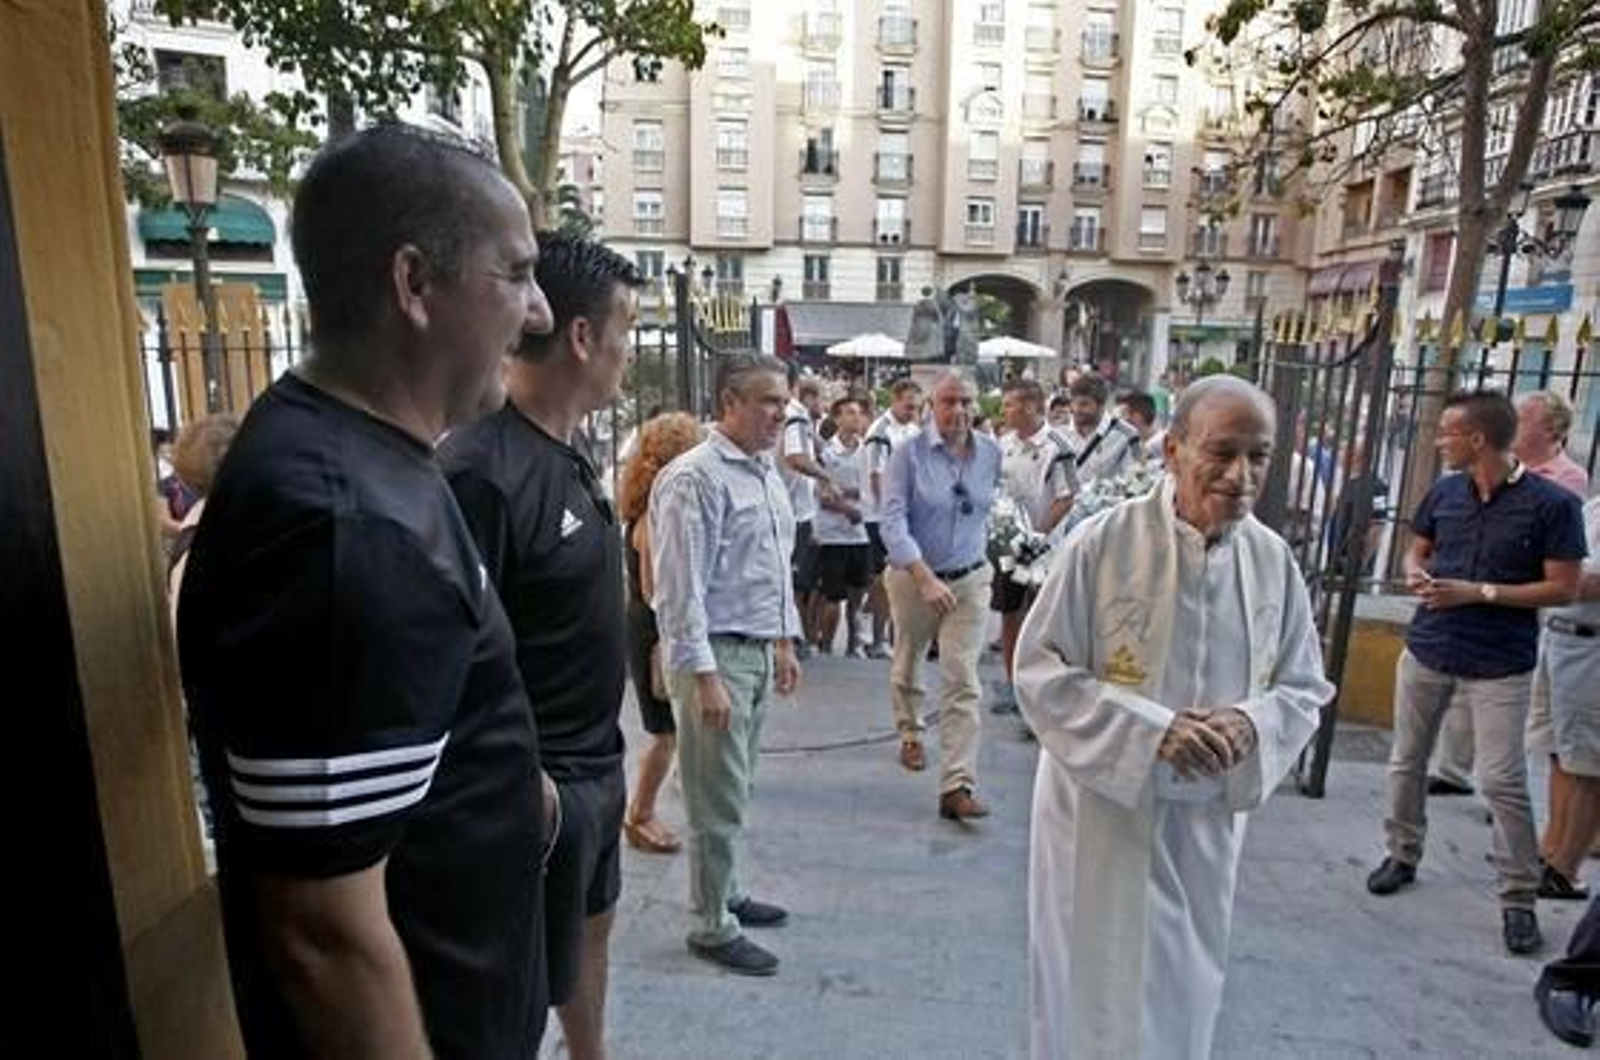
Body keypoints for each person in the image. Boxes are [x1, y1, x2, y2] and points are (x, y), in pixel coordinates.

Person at [177, 123, 556, 1057]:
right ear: (413, 283)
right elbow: (323, 937)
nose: (540, 313)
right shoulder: (348, 533)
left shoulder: (362, 461)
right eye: (516, 274)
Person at [1014, 375, 1333, 1058]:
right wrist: (1151, 732)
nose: (1241, 476)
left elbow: (1305, 685)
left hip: (1203, 823)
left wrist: (1254, 723)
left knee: (1180, 990)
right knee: (1087, 987)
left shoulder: (1272, 561)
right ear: (1172, 450)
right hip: (1098, 814)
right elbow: (1039, 671)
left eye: (1258, 456)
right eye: (1221, 452)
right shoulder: (1102, 544)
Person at [439, 232, 643, 1060]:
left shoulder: (569, 449)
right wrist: (530, 790)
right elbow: (450, 659)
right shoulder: (478, 471)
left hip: (596, 766)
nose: (630, 349)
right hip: (536, 788)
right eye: (627, 329)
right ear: (582, 336)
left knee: (592, 931)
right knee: (515, 995)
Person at [1366, 390, 1586, 957]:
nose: (1439, 441)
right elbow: (1418, 550)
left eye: (1447, 432)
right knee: (1406, 760)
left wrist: (1479, 592)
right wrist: (1416, 573)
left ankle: (1518, 898)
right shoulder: (1445, 492)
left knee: (1503, 780)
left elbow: (1563, 587)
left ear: (1478, 439)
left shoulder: (1553, 505)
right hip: (1429, 647)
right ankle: (1401, 853)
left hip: (1500, 661)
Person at [651, 352, 804, 976]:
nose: (780, 413)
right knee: (716, 796)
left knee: (734, 785)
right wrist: (705, 677)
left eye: (784, 401)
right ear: (729, 404)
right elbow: (679, 591)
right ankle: (714, 924)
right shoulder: (696, 478)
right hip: (716, 655)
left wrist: (784, 642)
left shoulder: (763, 472)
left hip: (755, 649)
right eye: (768, 401)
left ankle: (725, 891)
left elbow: (773, 565)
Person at [1430, 390, 1591, 797]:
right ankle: (1453, 768)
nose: (1513, 427)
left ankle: (1497, 785)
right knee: (1463, 684)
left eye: (1524, 420)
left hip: (1524, 599)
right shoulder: (1493, 471)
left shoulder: (1566, 480)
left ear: (1551, 430)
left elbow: (1553, 553)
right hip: (1479, 591)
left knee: (1509, 697)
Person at [879, 370, 1002, 820]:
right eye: (949, 401)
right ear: (932, 406)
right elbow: (892, 521)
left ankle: (957, 784)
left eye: (966, 401)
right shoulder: (907, 455)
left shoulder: (991, 453)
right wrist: (924, 576)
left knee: (962, 677)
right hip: (914, 578)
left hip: (970, 579)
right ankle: (911, 732)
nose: (959, 410)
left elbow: (989, 509)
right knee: (909, 658)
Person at [617, 412, 704, 857]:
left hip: (650, 628)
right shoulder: (653, 517)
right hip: (653, 633)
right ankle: (639, 814)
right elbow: (656, 592)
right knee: (663, 733)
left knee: (669, 730)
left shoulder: (648, 507)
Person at [1527, 493, 1600, 902]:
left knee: (1588, 766)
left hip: (1591, 647)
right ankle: (1549, 851)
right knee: (1559, 753)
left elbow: (1586, 582)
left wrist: (1552, 577)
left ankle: (1566, 868)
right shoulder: (1594, 506)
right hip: (1559, 639)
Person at [990, 378, 1076, 716]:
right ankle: (1012, 683)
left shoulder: (1058, 446)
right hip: (1007, 541)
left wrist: (1035, 536)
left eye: (1009, 404)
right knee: (1009, 611)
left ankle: (1041, 687)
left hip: (1043, 546)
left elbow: (1067, 497)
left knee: (1041, 615)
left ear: (1029, 406)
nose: (1004, 410)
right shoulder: (1003, 443)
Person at [862, 378, 924, 658]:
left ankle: (894, 637)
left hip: (906, 515)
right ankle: (876, 638)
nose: (912, 412)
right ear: (894, 400)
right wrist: (889, 516)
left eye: (916, 407)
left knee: (902, 578)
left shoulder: (913, 430)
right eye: (908, 406)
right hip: (880, 517)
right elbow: (877, 477)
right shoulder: (880, 432)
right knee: (882, 581)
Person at [815, 395, 873, 656]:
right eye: (850, 412)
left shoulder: (867, 451)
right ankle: (826, 647)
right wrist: (848, 507)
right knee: (833, 597)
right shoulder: (826, 452)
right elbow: (823, 494)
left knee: (857, 595)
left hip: (860, 535)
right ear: (837, 418)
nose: (856, 418)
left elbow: (872, 489)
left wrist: (846, 492)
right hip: (832, 535)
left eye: (859, 413)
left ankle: (853, 644)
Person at [782, 373, 833, 655]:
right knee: (793, 582)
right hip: (793, 513)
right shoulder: (796, 415)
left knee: (796, 582)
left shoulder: (798, 419)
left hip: (796, 511)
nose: (824, 405)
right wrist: (826, 477)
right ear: (808, 396)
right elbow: (796, 458)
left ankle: (793, 638)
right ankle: (790, 640)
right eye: (821, 398)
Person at [1058, 371, 1140, 488]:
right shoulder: (1059, 431)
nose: (1076, 409)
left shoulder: (1127, 435)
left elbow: (1133, 482)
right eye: (1073, 403)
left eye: (1084, 404)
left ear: (1101, 406)